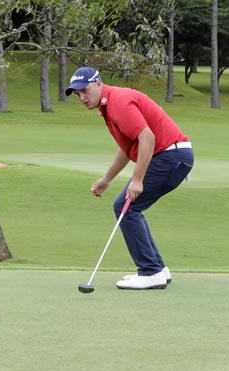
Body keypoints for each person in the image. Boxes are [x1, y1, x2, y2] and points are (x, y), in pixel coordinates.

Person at [65, 67, 194, 290]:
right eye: (78, 94)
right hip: (172, 156)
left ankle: (151, 271)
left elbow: (147, 138)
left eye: (85, 90)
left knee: (127, 208)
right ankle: (158, 269)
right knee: (130, 207)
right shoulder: (109, 105)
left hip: (170, 156)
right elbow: (128, 147)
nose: (82, 98)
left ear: (98, 83)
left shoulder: (118, 103)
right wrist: (107, 179)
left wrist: (137, 180)